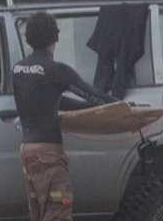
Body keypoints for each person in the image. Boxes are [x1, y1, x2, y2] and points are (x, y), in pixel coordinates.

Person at [12, 12, 114, 221]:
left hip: (28, 155)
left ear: (29, 39)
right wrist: (123, 106)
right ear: (55, 38)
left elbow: (48, 103)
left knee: (39, 215)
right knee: (59, 212)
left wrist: (82, 107)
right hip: (49, 157)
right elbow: (94, 96)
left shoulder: (18, 69)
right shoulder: (57, 70)